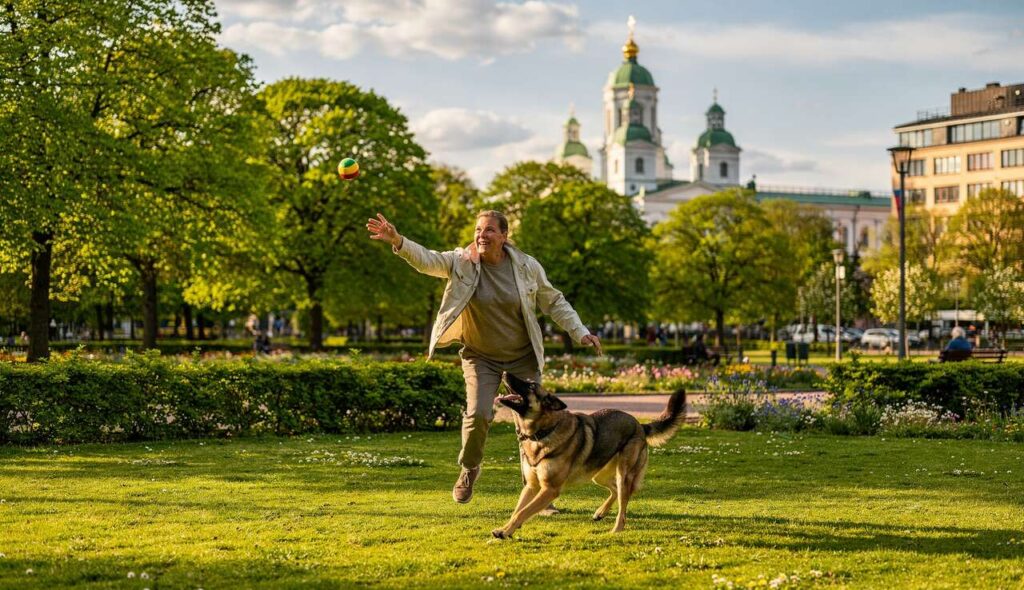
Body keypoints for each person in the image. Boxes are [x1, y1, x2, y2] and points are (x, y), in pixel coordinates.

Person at [367, 211, 602, 504]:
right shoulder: (460, 262)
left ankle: (539, 495)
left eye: (490, 230)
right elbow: (427, 260)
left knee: (534, 424)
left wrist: (580, 332)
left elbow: (554, 301)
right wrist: (398, 241)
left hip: (522, 357)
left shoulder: (527, 266)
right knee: (478, 414)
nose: (482, 235)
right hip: (481, 357)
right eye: (478, 229)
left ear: (504, 236)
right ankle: (469, 468)